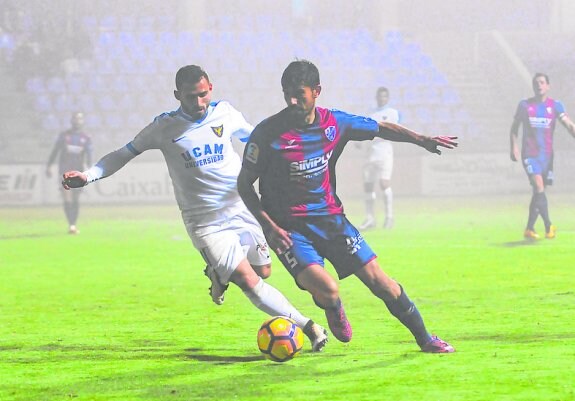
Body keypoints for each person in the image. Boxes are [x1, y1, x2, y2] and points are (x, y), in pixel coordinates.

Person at [61, 65, 328, 352]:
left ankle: (216, 273)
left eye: (202, 95)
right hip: (205, 222)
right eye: (190, 97)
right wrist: (88, 176)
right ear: (177, 95)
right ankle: (308, 326)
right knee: (249, 281)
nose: (198, 103)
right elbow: (123, 153)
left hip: (242, 207)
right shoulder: (164, 127)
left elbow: (257, 140)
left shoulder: (225, 112)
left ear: (210, 88)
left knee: (263, 271)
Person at [237, 60, 457, 353]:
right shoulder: (267, 134)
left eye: (299, 94)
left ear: (317, 91)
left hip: (332, 221)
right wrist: (270, 227)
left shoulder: (334, 123)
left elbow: (380, 128)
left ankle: (426, 339)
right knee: (328, 289)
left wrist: (421, 139)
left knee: (382, 283)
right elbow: (243, 184)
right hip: (289, 230)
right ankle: (332, 304)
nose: (292, 101)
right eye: (287, 93)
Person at [510, 72, 575, 240]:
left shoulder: (555, 105)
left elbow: (567, 124)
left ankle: (529, 228)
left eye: (542, 82)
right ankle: (548, 225)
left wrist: (572, 128)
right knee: (538, 186)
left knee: (538, 192)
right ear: (533, 86)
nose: (539, 85)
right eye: (536, 83)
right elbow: (514, 128)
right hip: (529, 154)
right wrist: (514, 147)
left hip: (547, 156)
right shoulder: (525, 105)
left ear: (548, 86)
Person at [358, 86, 401, 230]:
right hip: (370, 152)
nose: (382, 98)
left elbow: (399, 130)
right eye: (380, 96)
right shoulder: (370, 113)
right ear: (376, 98)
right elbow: (363, 131)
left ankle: (389, 217)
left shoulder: (393, 113)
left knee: (384, 183)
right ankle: (370, 218)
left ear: (387, 98)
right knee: (368, 185)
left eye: (384, 96)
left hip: (385, 151)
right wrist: (359, 142)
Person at [46, 111, 92, 234]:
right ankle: (71, 225)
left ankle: (73, 224)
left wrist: (90, 171)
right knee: (67, 197)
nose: (78, 121)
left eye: (80, 118)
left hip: (79, 172)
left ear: (82, 121)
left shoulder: (86, 137)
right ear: (72, 120)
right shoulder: (64, 136)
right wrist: (49, 165)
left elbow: (89, 156)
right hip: (65, 171)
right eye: (76, 118)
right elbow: (55, 151)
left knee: (76, 198)